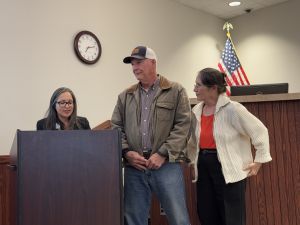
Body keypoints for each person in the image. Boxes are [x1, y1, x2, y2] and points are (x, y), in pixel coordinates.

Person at [111, 46, 191, 225]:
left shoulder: (176, 90)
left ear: (153, 63)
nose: (134, 67)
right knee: (133, 219)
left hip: (167, 165)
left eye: (139, 62)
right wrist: (126, 153)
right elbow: (116, 127)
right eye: (132, 64)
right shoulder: (125, 96)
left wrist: (162, 153)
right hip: (134, 168)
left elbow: (184, 124)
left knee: (179, 219)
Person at [187, 68, 272, 225]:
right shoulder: (196, 110)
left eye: (198, 85)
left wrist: (259, 160)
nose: (194, 89)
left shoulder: (233, 109)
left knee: (231, 216)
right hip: (203, 167)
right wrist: (192, 161)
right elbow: (193, 141)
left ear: (213, 88)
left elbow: (260, 131)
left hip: (228, 169)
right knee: (207, 213)